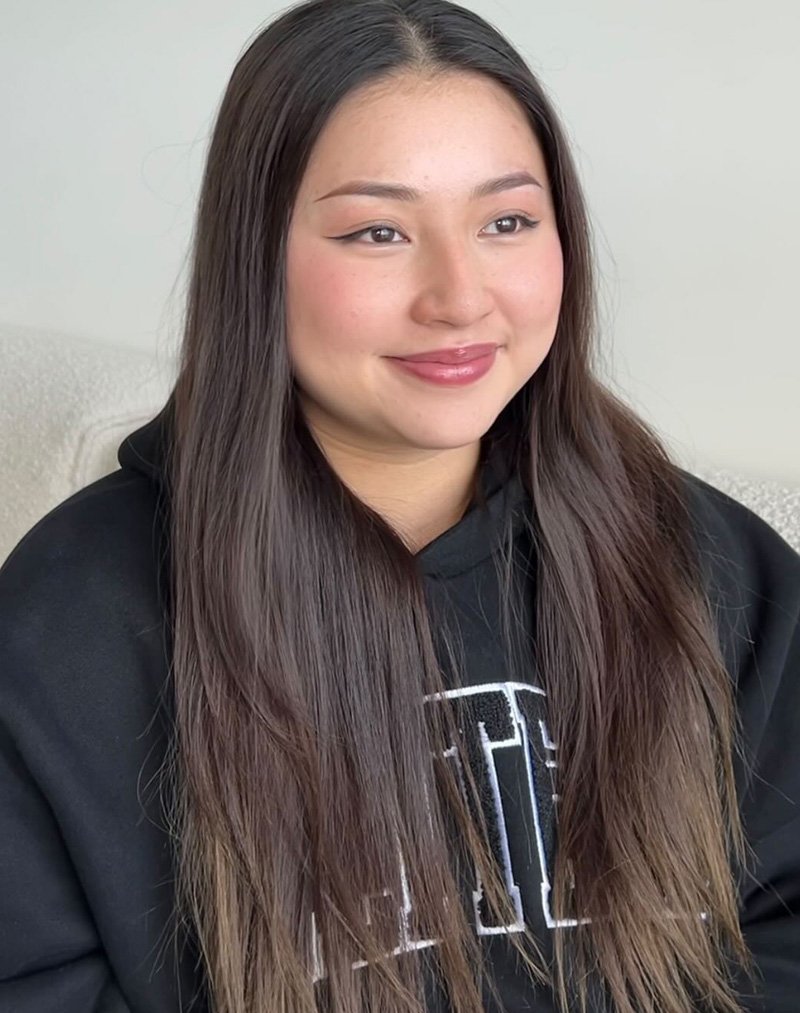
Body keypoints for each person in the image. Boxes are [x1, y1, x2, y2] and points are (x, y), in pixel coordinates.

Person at [1, 0, 798, 1010]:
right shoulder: (71, 621)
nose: (459, 296)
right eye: (378, 231)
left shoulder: (705, 563)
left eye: (506, 222)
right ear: (255, 256)